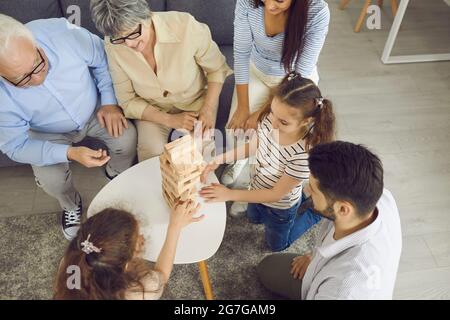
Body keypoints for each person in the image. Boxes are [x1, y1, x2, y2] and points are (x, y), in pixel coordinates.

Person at [0, 14, 137, 240]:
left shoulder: (61, 32)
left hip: (94, 108)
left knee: (127, 139)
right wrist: (69, 153)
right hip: (45, 133)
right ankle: (71, 204)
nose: (37, 79)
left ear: (34, 43)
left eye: (38, 64)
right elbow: (14, 146)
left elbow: (103, 57)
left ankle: (115, 174)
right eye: (22, 79)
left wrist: (110, 102)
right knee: (52, 181)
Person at [199, 73, 335, 251]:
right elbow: (253, 147)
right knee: (254, 216)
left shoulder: (303, 154)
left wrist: (230, 194)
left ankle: (311, 213)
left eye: (284, 122)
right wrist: (221, 158)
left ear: (307, 121)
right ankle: (300, 199)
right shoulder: (268, 121)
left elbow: (275, 194)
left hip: (279, 207)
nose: (274, 123)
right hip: (257, 188)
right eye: (272, 113)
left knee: (277, 245)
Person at [90, 0, 233, 162]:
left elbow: (217, 69)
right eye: (120, 38)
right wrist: (170, 120)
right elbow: (128, 101)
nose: (129, 44)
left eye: (133, 33)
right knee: (150, 156)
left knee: (191, 159)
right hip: (153, 110)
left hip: (196, 104)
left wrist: (208, 109)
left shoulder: (186, 26)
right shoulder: (113, 46)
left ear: (146, 16)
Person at [257, 141, 402, 299]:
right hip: (326, 273)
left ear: (342, 209)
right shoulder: (382, 197)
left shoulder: (343, 290)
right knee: (267, 268)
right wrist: (314, 258)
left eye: (312, 190)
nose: (308, 192)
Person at [222, 0, 330, 199]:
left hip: (294, 82)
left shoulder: (317, 11)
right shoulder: (247, 2)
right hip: (257, 70)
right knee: (236, 127)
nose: (270, 6)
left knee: (272, 133)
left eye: (279, 0)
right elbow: (241, 53)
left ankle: (254, 180)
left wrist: (262, 114)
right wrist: (244, 108)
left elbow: (300, 74)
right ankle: (240, 160)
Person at [54, 200, 203, 299]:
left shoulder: (70, 262)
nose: (142, 237)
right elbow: (162, 275)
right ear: (125, 266)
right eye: (138, 239)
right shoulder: (138, 290)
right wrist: (174, 228)